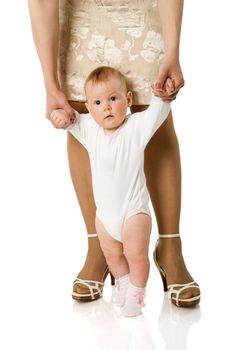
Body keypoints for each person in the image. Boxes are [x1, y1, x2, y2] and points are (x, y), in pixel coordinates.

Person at [28, 0, 201, 307]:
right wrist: (49, 84)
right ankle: (100, 245)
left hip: (141, 11)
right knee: (80, 111)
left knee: (154, 107)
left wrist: (173, 50)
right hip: (81, 12)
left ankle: (170, 247)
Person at [50, 66, 172, 317]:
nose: (106, 107)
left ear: (127, 100)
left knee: (136, 256)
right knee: (113, 256)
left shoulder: (135, 128)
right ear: (89, 107)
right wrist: (60, 117)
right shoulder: (89, 130)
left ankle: (137, 295)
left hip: (133, 212)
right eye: (97, 102)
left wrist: (161, 95)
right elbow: (68, 120)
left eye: (113, 99)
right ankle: (124, 284)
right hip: (105, 217)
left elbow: (157, 113)